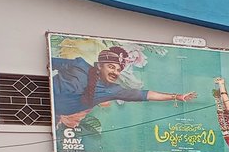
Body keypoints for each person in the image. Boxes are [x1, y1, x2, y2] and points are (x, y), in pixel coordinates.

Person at [51, 45, 197, 133]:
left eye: (119, 69)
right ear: (100, 66)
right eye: (111, 67)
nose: (115, 72)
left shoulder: (112, 90)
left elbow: (145, 95)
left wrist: (176, 97)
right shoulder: (79, 66)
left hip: (49, 114)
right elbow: (47, 62)